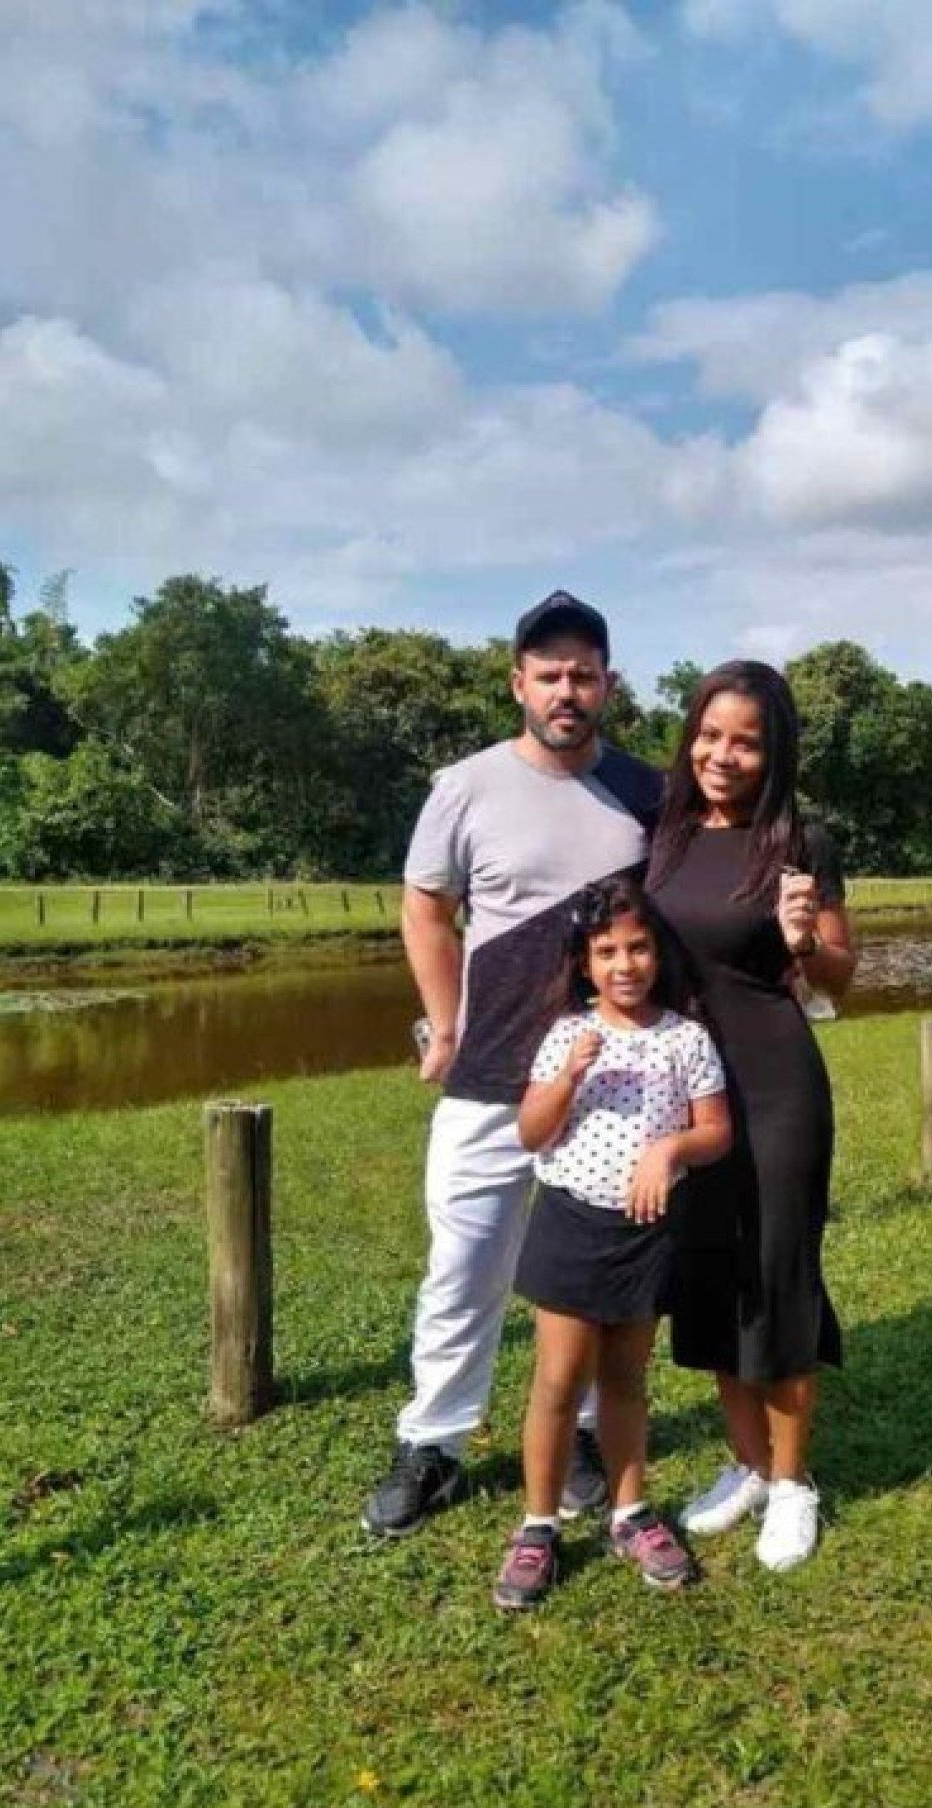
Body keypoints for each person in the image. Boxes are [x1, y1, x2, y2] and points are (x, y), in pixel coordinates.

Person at [361, 591, 663, 1538]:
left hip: (612, 1086)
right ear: (517, 683)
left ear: (608, 684)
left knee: (592, 1272)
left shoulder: (649, 793)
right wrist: (443, 1023)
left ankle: (582, 1433)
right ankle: (435, 1442)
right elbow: (425, 905)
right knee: (464, 1264)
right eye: (549, 674)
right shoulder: (465, 786)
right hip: (491, 1073)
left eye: (584, 674)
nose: (567, 690)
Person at [647, 660, 857, 1573]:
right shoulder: (665, 833)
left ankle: (794, 1479)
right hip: (683, 1092)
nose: (721, 755)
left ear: (775, 753)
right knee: (708, 1275)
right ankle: (747, 1465)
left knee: (776, 1274)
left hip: (774, 1085)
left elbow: (845, 977)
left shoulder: (801, 840)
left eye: (746, 741)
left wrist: (805, 943)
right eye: (709, 734)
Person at [493, 876, 731, 1610]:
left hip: (647, 1231)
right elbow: (532, 1132)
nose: (625, 965)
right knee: (559, 1379)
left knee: (626, 1377)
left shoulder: (686, 1037)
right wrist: (569, 1076)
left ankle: (631, 1510)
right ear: (584, 962)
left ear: (658, 952)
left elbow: (717, 1132)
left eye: (638, 948)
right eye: (607, 952)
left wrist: (670, 1149)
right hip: (571, 1224)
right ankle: (538, 1526)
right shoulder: (567, 1035)